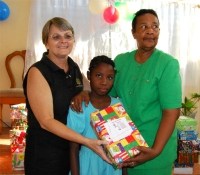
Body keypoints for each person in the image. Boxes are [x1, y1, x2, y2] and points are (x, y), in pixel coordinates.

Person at [70, 9, 182, 175]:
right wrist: (85, 92)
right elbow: (105, 92)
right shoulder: (121, 62)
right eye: (144, 26)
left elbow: (171, 112)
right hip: (121, 154)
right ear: (134, 33)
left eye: (155, 26)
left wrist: (155, 150)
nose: (151, 31)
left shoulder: (167, 64)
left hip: (154, 152)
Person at [22, 17, 110, 175]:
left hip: (71, 150)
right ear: (46, 42)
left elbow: (91, 88)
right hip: (46, 154)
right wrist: (86, 141)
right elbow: (46, 121)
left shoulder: (73, 66)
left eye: (68, 36)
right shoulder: (38, 72)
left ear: (73, 40)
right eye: (56, 37)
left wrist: (84, 91)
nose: (63, 41)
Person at [67, 55, 122, 175]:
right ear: (88, 75)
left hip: (113, 168)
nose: (104, 82)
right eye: (98, 75)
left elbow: (124, 146)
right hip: (87, 166)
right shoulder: (79, 105)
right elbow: (73, 148)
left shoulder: (118, 105)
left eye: (110, 77)